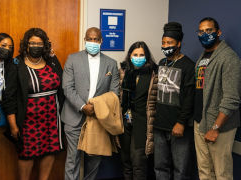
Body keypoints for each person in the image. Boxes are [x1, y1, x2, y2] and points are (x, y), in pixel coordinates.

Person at [2, 28, 64, 180]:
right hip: (28, 120)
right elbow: (9, 98)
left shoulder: (52, 61)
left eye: (39, 43)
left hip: (52, 118)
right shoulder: (16, 64)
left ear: (45, 45)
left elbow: (62, 85)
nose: (36, 46)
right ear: (26, 44)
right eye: (32, 43)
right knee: (26, 155)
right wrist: (13, 125)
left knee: (50, 151)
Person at [62, 27, 119, 180]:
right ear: (85, 40)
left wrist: (97, 107)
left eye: (96, 39)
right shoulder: (72, 59)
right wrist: (82, 106)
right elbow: (67, 87)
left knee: (95, 160)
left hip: (98, 118)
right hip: (74, 117)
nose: (92, 42)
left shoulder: (111, 63)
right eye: (89, 39)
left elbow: (114, 93)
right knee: (72, 159)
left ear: (101, 41)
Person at [194, 17, 241, 180]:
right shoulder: (202, 57)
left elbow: (232, 99)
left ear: (218, 32)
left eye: (209, 30)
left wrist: (215, 127)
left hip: (219, 126)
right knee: (205, 171)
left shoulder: (229, 58)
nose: (204, 34)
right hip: (200, 122)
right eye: (201, 31)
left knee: (222, 173)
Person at [153, 22, 195, 180]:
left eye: (169, 43)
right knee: (160, 167)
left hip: (178, 126)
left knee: (181, 170)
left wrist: (181, 122)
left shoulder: (188, 66)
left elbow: (190, 97)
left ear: (178, 43)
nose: (165, 46)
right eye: (163, 43)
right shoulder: (161, 63)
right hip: (160, 125)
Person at [120, 41, 157, 180]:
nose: (138, 57)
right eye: (135, 54)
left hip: (143, 123)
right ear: (130, 55)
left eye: (142, 54)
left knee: (138, 161)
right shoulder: (123, 71)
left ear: (147, 56)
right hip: (125, 121)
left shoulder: (153, 74)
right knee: (125, 161)